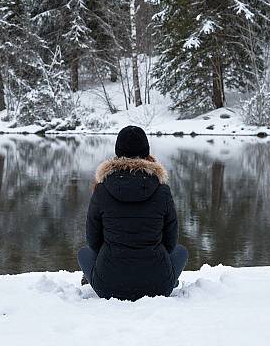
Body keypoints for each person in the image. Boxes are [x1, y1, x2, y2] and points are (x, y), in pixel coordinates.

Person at [77, 125, 188, 301]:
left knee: (84, 253)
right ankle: (167, 278)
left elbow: (93, 241)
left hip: (108, 286)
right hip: (158, 286)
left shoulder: (102, 189)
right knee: (181, 251)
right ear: (146, 152)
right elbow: (171, 242)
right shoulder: (162, 190)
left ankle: (97, 278)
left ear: (117, 152)